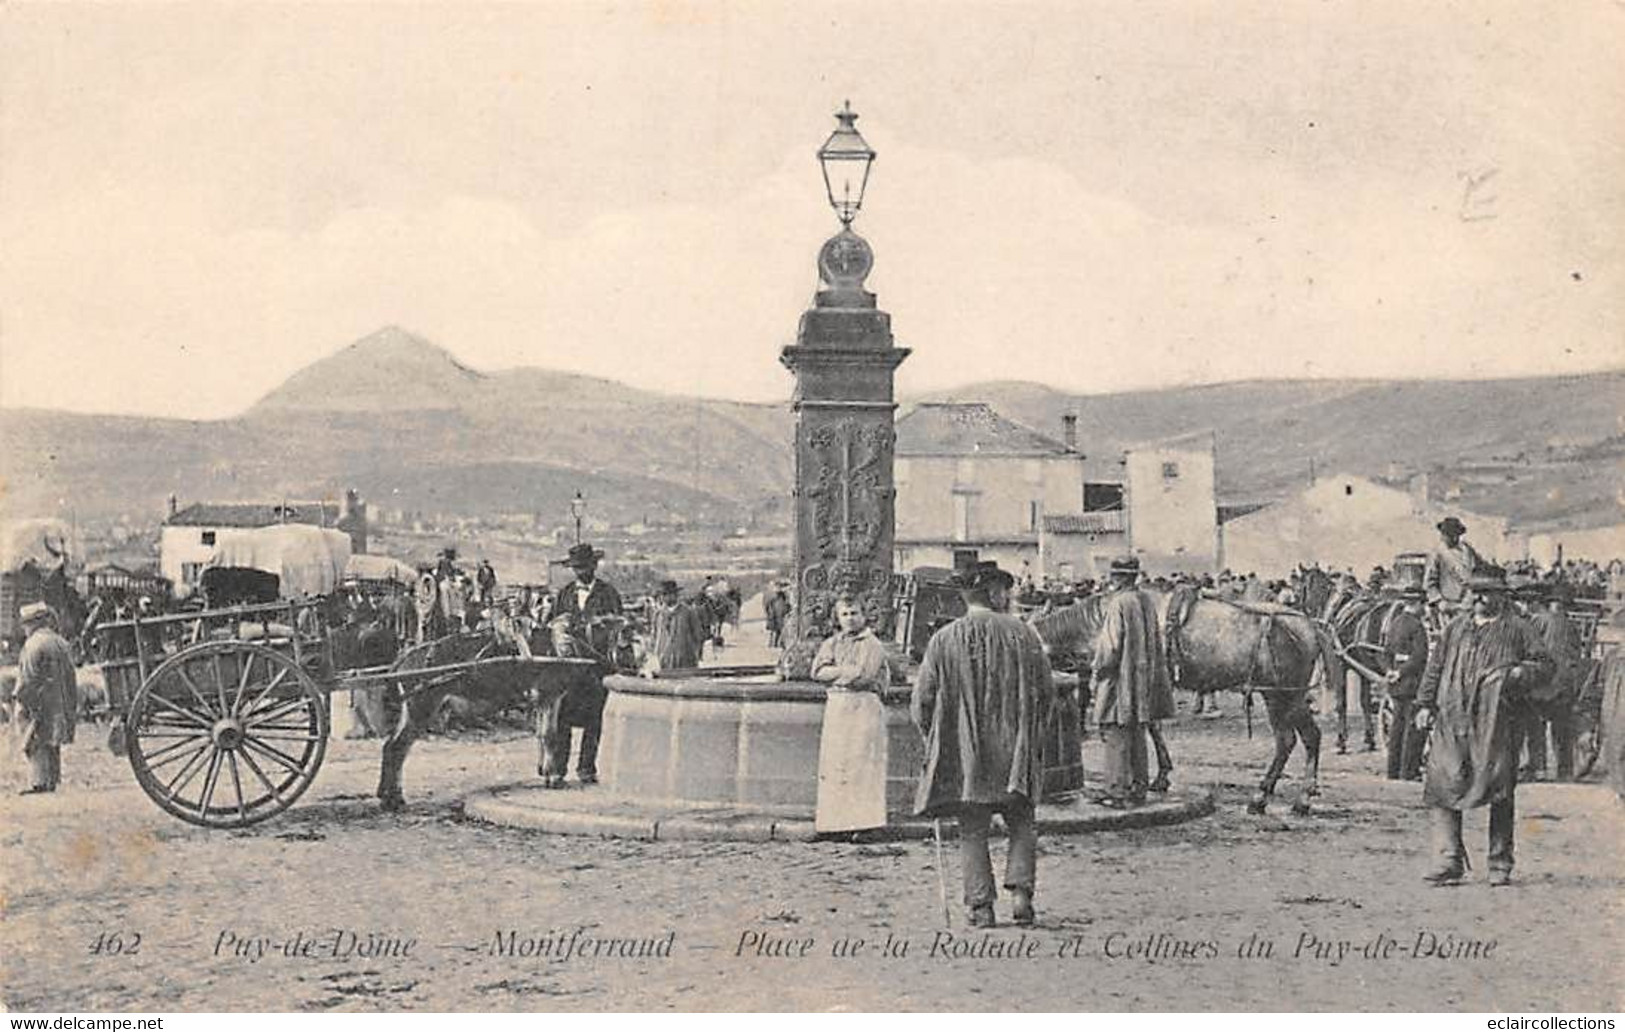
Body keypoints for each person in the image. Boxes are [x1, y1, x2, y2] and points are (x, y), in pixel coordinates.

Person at [912, 561, 1055, 928]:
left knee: (972, 827)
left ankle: (980, 907)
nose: (1008, 596)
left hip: (968, 757)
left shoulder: (943, 640)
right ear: (993, 594)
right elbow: (1047, 694)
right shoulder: (1024, 634)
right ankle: (1021, 894)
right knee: (1022, 820)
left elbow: (922, 701)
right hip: (1014, 751)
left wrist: (937, 739)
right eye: (1005, 591)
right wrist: (1033, 736)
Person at [1414, 567, 1552, 886]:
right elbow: (1434, 668)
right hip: (1453, 717)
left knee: (1499, 787)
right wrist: (1424, 704)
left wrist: (1519, 673)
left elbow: (1545, 666)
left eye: (1486, 591)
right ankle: (1448, 859)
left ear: (1502, 595)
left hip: (1497, 722)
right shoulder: (1455, 628)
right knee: (1441, 784)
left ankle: (1499, 862)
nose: (1478, 597)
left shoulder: (1519, 629)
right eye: (1474, 591)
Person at [1091, 557, 1175, 807]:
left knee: (1116, 732)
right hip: (1144, 681)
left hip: (1120, 681)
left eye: (1114, 576)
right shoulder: (1147, 601)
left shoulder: (1119, 603)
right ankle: (1139, 786)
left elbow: (1110, 647)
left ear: (1119, 578)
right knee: (1138, 731)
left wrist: (1097, 671)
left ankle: (1117, 790)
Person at [812, 597, 892, 834]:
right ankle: (835, 823)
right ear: (837, 618)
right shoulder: (831, 643)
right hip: (837, 707)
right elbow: (817, 671)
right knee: (837, 764)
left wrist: (836, 673)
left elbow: (864, 676)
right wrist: (844, 672)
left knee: (862, 764)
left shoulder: (872, 644)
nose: (850, 619)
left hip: (863, 707)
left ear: (864, 616)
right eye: (845, 614)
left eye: (855, 613)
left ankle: (865, 823)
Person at [546, 543, 624, 785]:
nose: (581, 572)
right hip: (568, 669)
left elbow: (619, 625)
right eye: (576, 568)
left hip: (595, 667)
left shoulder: (608, 593)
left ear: (594, 566)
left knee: (594, 720)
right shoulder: (565, 594)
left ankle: (586, 769)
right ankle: (559, 769)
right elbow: (553, 625)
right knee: (561, 719)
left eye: (584, 567)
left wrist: (600, 626)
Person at [15, 603, 78, 794]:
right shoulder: (60, 642)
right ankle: (52, 779)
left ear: (33, 624)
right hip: (60, 699)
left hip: (40, 699)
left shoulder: (33, 644)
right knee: (53, 738)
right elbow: (71, 674)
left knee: (34, 740)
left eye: (26, 624)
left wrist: (22, 699)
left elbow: (28, 677)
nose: (24, 628)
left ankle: (39, 782)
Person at [1522, 585, 1584, 781]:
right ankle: (1564, 770)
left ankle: (1538, 768)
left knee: (1535, 726)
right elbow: (1577, 654)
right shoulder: (1572, 626)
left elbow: (1530, 649)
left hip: (1543, 681)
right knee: (1562, 729)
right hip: (1565, 682)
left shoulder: (1538, 621)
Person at [1382, 585, 1430, 781]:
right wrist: (1402, 672)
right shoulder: (1417, 626)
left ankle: (1393, 771)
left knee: (1397, 727)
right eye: (1423, 605)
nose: (1425, 609)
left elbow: (1386, 652)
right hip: (1412, 682)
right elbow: (1420, 657)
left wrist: (1391, 671)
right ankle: (1409, 771)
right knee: (1413, 728)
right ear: (1417, 604)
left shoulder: (1395, 623)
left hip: (1396, 683)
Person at [1425, 517, 1485, 616]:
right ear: (1443, 535)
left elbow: (1479, 569)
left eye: (1457, 535)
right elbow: (1430, 582)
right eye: (1450, 535)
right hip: (1448, 606)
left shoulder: (1467, 550)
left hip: (1468, 604)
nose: (1454, 538)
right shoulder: (1437, 553)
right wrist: (1439, 602)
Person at [647, 580, 705, 673]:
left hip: (686, 660)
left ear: (675, 595)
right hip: (665, 660)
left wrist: (696, 654)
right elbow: (654, 636)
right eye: (663, 595)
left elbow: (698, 636)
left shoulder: (688, 612)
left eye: (668, 594)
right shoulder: (658, 614)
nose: (665, 598)